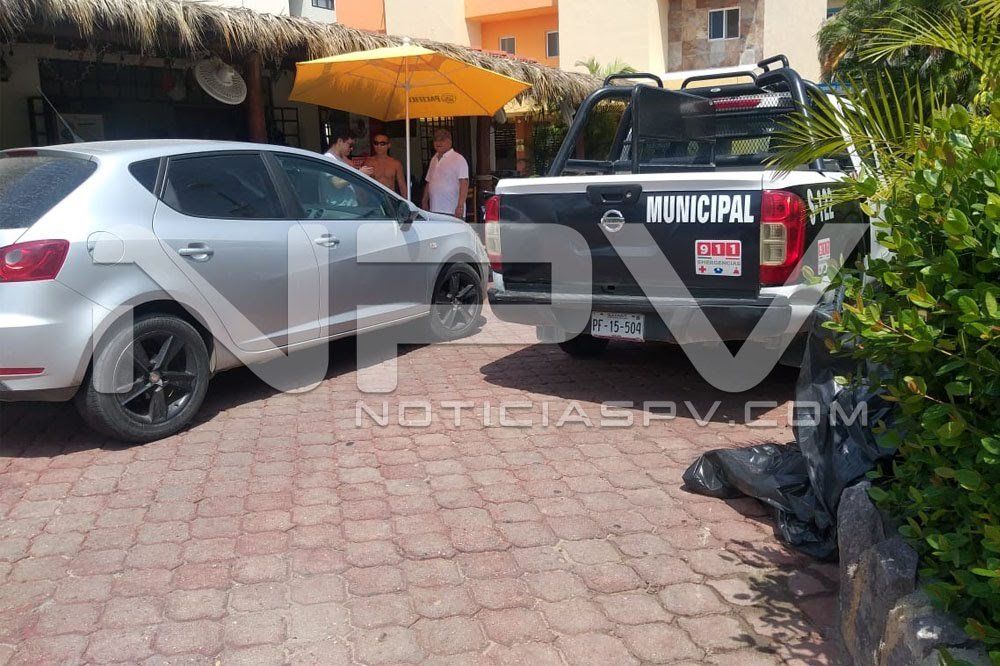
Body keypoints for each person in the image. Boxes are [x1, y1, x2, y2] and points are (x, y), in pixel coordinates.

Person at [422, 128, 469, 219]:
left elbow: (464, 183)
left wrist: (460, 205)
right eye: (436, 140)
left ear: (449, 142)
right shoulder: (433, 159)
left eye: (442, 140)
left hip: (452, 209)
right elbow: (429, 181)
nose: (438, 143)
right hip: (434, 209)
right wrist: (424, 200)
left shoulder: (458, 159)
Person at [363, 134, 407, 198]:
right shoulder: (368, 162)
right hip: (374, 199)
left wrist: (405, 202)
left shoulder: (396, 164)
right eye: (376, 143)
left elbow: (402, 186)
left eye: (382, 144)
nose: (379, 146)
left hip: (390, 199)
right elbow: (363, 184)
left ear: (388, 145)